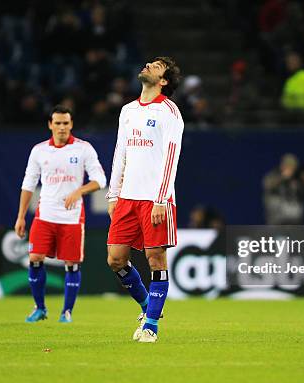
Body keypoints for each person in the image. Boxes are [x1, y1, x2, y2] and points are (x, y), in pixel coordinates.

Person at [106, 57, 183, 343]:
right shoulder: (127, 111)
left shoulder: (169, 112)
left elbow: (171, 158)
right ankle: (147, 306)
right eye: (149, 62)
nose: (149, 65)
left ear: (164, 81)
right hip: (126, 198)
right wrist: (114, 193)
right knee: (115, 259)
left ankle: (151, 325)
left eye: (157, 65)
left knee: (155, 259)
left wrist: (161, 198)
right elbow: (120, 154)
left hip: (155, 199)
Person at [15, 105, 106, 323]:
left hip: (72, 217)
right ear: (50, 125)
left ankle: (67, 312)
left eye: (66, 123)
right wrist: (20, 217)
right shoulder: (39, 150)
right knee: (35, 258)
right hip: (44, 214)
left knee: (72, 263)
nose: (62, 127)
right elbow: (28, 183)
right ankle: (40, 308)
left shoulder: (84, 149)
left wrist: (79, 191)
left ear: (71, 124)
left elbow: (101, 180)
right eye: (58, 123)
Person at [262, 153, 304, 225]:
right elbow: (267, 185)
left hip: (296, 221)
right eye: (288, 166)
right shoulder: (274, 175)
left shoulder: (298, 180)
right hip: (277, 220)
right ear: (282, 166)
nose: (290, 169)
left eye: (293, 167)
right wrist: (283, 178)